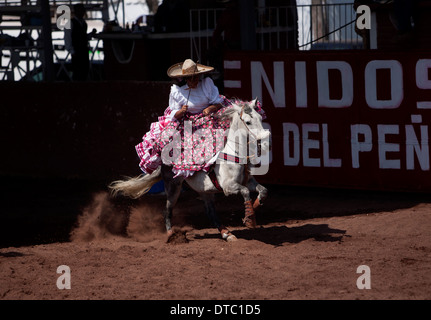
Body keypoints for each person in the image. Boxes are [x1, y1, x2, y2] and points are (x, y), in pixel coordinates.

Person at [135, 59, 232, 178]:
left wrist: (210, 108)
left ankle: (216, 171)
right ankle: (178, 172)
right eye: (190, 78)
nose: (193, 81)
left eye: (195, 78)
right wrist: (181, 112)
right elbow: (173, 114)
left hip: (207, 121)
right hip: (188, 123)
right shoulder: (178, 92)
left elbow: (219, 103)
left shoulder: (207, 85)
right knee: (169, 141)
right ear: (185, 79)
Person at [64, 4, 95, 81]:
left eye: (83, 11)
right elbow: (67, 38)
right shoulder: (70, 23)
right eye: (80, 10)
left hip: (84, 51)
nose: (82, 12)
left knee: (84, 72)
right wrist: (72, 51)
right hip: (76, 51)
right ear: (75, 11)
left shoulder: (84, 24)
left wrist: (91, 34)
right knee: (78, 73)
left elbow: (83, 37)